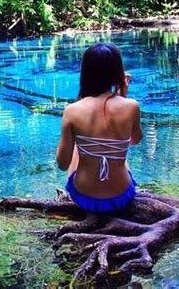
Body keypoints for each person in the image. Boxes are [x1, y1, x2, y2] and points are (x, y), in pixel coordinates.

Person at [56, 41, 142, 212]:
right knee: (118, 149)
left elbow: (62, 164)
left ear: (86, 72)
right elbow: (133, 140)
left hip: (83, 197)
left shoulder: (72, 111)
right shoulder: (132, 106)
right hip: (122, 196)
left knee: (75, 147)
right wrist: (122, 95)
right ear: (118, 72)